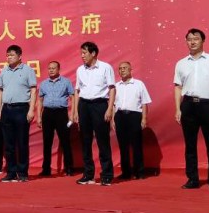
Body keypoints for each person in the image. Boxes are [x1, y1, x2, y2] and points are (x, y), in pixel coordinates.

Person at [174, 29, 209, 190]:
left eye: (196, 39)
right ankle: (192, 179)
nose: (192, 42)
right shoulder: (181, 63)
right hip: (188, 105)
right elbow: (178, 87)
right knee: (190, 145)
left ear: (203, 41)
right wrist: (177, 109)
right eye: (189, 39)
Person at [72, 42, 116, 186]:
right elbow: (77, 90)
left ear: (93, 53)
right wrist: (76, 110)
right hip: (84, 105)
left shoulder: (105, 67)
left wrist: (110, 108)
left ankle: (107, 174)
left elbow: (112, 89)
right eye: (81, 53)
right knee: (85, 141)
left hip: (100, 104)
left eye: (85, 53)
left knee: (103, 140)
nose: (82, 56)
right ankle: (88, 174)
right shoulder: (80, 70)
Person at [0, 45, 37, 182]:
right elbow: (0, 90)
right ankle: (11, 172)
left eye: (12, 55)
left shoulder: (28, 70)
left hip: (22, 109)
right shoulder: (4, 71)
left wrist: (31, 109)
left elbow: (33, 90)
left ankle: (23, 172)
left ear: (20, 56)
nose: (9, 57)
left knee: (22, 142)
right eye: (7, 55)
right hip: (6, 109)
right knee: (8, 144)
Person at [113, 62, 152, 180]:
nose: (122, 70)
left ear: (131, 70)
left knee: (136, 145)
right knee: (123, 146)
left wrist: (144, 118)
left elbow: (144, 103)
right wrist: (112, 120)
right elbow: (113, 104)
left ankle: (139, 172)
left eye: (125, 68)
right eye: (120, 68)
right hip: (120, 116)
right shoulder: (116, 86)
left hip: (134, 116)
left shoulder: (139, 84)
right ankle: (126, 172)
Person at [36, 60, 75, 176]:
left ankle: (69, 168)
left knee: (65, 141)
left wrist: (72, 114)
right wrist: (39, 116)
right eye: (49, 68)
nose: (51, 70)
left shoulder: (66, 82)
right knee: (47, 142)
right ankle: (46, 169)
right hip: (47, 113)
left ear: (58, 69)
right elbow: (40, 101)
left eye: (53, 68)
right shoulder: (43, 84)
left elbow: (73, 98)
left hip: (61, 113)